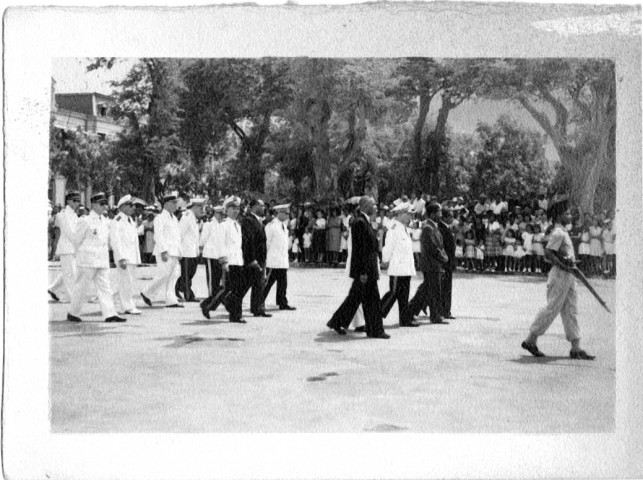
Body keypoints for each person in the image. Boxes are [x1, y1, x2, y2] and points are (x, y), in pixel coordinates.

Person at [521, 197, 595, 360]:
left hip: (569, 276)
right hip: (560, 275)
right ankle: (530, 340)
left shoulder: (563, 231)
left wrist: (569, 264)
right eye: (567, 213)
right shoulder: (558, 232)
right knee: (552, 308)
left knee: (571, 310)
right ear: (560, 215)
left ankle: (576, 347)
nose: (570, 215)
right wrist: (564, 265)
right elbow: (548, 253)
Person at [326, 196, 389, 339]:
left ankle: (337, 321)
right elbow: (359, 250)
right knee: (370, 300)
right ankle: (375, 330)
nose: (376, 207)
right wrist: (363, 271)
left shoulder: (364, 221)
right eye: (373, 204)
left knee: (356, 299)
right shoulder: (359, 222)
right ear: (366, 205)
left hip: (368, 269)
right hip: (365, 270)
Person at [67, 193, 125, 323]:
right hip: (87, 260)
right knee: (81, 287)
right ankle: (73, 312)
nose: (104, 206)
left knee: (105, 287)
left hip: (102, 260)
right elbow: (76, 240)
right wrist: (81, 254)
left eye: (105, 203)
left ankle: (110, 314)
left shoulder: (105, 221)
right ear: (93, 205)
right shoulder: (85, 221)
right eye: (102, 204)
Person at [402, 203, 449, 325]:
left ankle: (410, 312)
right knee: (433, 291)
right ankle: (435, 316)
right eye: (439, 212)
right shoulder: (428, 228)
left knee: (427, 290)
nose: (441, 214)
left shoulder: (432, 227)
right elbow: (433, 247)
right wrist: (444, 258)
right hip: (431, 264)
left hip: (434, 264)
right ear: (433, 214)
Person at [140, 193, 183, 308]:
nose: (176, 205)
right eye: (174, 203)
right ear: (167, 204)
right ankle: (146, 292)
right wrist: (163, 251)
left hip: (174, 251)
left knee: (174, 274)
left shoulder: (174, 218)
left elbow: (177, 237)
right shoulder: (160, 218)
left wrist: (180, 252)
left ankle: (171, 300)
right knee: (164, 274)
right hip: (165, 251)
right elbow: (158, 236)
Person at [380, 202, 417, 327]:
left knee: (404, 296)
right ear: (400, 214)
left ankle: (405, 319)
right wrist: (385, 260)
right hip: (397, 268)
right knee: (393, 294)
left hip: (405, 269)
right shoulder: (394, 228)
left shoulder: (404, 228)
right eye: (408, 214)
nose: (410, 217)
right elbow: (388, 247)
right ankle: (374, 316)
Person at [109, 195, 142, 315]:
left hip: (132, 256)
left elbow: (134, 241)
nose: (133, 208)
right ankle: (127, 306)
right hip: (124, 257)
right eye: (130, 205)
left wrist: (137, 257)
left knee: (128, 282)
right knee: (125, 283)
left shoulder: (130, 220)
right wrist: (120, 258)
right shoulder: (117, 221)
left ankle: (115, 302)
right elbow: (115, 241)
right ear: (122, 206)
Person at [48, 191, 83, 303]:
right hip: (67, 247)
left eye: (78, 201)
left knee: (68, 271)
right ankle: (70, 297)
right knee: (70, 274)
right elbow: (70, 232)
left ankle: (52, 289)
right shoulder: (65, 214)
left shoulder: (72, 214)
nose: (77, 203)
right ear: (68, 201)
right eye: (75, 201)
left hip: (72, 248)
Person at [262, 204, 296, 310]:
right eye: (285, 213)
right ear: (279, 213)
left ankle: (282, 302)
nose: (287, 215)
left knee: (282, 283)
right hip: (273, 260)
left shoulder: (284, 226)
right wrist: (265, 258)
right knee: (267, 283)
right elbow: (266, 244)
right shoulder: (271, 226)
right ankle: (258, 301)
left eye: (287, 213)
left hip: (282, 260)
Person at [241, 198, 271, 317]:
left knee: (258, 284)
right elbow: (249, 241)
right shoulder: (248, 220)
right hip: (253, 258)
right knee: (245, 284)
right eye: (261, 205)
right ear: (254, 206)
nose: (264, 208)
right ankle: (229, 302)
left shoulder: (259, 221)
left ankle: (257, 308)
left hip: (260, 258)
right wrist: (252, 258)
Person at [175, 197, 205, 302]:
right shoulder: (187, 217)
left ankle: (176, 286)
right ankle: (189, 295)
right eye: (200, 207)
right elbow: (179, 234)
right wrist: (178, 251)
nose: (202, 210)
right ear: (194, 207)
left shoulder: (194, 219)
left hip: (193, 252)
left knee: (190, 273)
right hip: (186, 251)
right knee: (187, 275)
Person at [438, 208, 456, 319]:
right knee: (445, 288)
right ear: (444, 217)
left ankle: (445, 310)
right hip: (445, 262)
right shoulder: (442, 229)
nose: (452, 218)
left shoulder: (447, 228)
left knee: (446, 288)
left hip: (449, 262)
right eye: (450, 216)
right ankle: (445, 311)